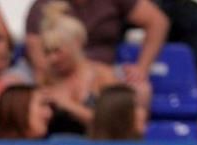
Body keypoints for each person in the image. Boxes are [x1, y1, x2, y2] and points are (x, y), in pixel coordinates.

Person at [34, 1, 135, 137]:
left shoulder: (103, 76)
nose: (52, 59)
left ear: (76, 45)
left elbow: (114, 124)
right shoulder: (46, 78)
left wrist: (68, 105)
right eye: (47, 52)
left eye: (57, 51)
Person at [24, 0, 169, 88]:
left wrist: (141, 68)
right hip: (58, 75)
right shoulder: (43, 6)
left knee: (139, 90)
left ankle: (129, 136)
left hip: (103, 70)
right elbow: (40, 63)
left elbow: (158, 21)